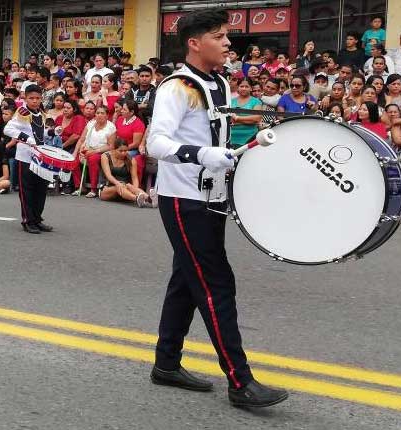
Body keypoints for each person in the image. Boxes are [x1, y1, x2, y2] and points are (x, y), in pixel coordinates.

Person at [147, 7, 288, 407]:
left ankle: (166, 363)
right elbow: (155, 143)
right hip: (184, 201)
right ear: (195, 43)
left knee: (186, 279)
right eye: (220, 36)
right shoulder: (177, 87)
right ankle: (240, 381)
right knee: (215, 284)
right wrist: (203, 154)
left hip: (211, 197)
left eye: (227, 36)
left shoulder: (220, 83)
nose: (228, 43)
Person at [3, 84, 53, 234]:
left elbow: (39, 132)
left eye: (38, 98)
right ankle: (28, 220)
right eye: (31, 98)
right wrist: (26, 138)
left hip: (40, 156)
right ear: (25, 97)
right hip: (25, 157)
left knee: (41, 189)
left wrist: (51, 131)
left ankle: (37, 219)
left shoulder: (40, 112)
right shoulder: (21, 112)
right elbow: (8, 129)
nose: (35, 101)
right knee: (27, 190)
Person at [73, 105, 116, 197]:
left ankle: (93, 189)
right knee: (74, 159)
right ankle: (79, 187)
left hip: (102, 152)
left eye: (102, 113)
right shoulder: (90, 124)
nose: (99, 115)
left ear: (107, 115)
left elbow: (110, 146)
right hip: (87, 149)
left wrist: (94, 151)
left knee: (92, 159)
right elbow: (81, 139)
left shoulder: (111, 127)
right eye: (97, 113)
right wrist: (78, 150)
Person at [99, 138, 155, 207]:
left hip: (125, 190)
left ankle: (150, 199)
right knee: (119, 186)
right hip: (106, 189)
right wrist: (118, 183)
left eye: (125, 151)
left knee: (129, 185)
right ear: (114, 149)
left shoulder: (131, 160)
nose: (123, 153)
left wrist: (134, 189)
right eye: (120, 151)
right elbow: (108, 175)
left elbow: (134, 178)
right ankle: (137, 198)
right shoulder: (105, 156)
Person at [229, 77, 261, 147]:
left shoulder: (256, 101)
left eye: (246, 86)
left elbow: (256, 119)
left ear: (251, 88)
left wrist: (237, 118)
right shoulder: (231, 101)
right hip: (232, 138)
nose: (244, 88)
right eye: (241, 86)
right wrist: (249, 119)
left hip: (250, 138)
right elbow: (229, 119)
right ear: (237, 87)